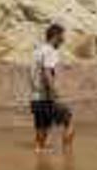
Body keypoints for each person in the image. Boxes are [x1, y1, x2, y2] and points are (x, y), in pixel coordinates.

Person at [30, 24, 75, 154]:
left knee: (42, 126)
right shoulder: (50, 51)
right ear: (56, 36)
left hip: (35, 96)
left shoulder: (37, 51)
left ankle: (39, 152)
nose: (63, 40)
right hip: (47, 96)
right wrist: (55, 95)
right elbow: (47, 72)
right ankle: (68, 155)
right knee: (69, 121)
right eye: (62, 37)